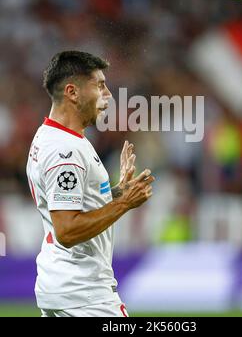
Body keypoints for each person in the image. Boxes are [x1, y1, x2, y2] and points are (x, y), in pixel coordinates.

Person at [26, 50, 155, 317]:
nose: (108, 95)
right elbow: (68, 230)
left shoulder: (52, 135)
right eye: (100, 86)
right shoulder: (65, 151)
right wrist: (124, 204)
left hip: (63, 286)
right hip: (85, 294)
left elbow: (75, 200)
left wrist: (117, 191)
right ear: (72, 92)